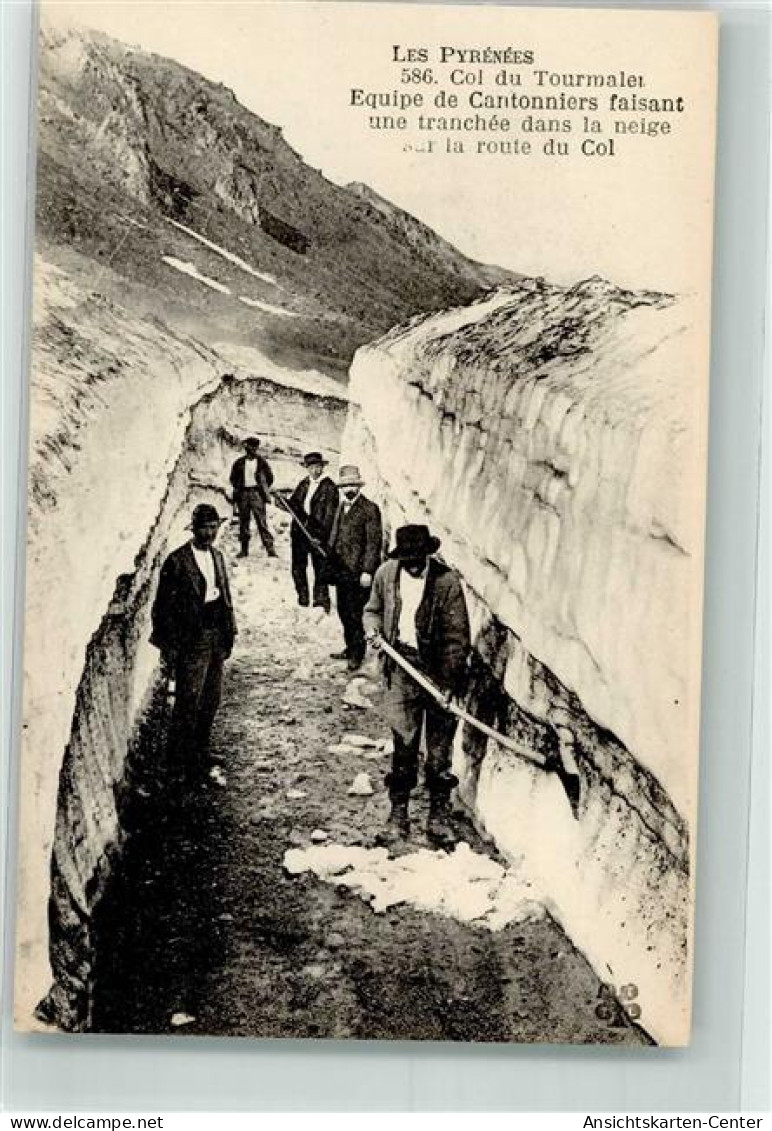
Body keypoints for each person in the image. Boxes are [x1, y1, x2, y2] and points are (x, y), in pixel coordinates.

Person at [364, 524, 471, 848]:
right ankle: (398, 816)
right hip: (401, 667)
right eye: (407, 558)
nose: (412, 564)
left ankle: (438, 817)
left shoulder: (446, 582)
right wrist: (373, 630)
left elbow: (457, 637)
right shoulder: (387, 574)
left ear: (427, 554)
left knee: (439, 750)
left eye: (417, 558)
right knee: (404, 744)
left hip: (438, 671)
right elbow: (372, 610)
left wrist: (448, 683)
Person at [150, 503, 237, 783]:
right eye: (205, 528)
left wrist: (229, 633)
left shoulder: (218, 556)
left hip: (215, 635)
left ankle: (200, 751)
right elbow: (162, 608)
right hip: (191, 639)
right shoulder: (177, 562)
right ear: (195, 529)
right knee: (188, 701)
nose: (210, 533)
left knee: (210, 699)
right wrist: (170, 647)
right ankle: (177, 763)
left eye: (214, 527)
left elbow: (225, 598)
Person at [327, 465, 383, 671]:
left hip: (358, 574)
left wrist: (368, 570)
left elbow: (373, 543)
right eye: (345, 485)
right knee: (343, 610)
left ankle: (357, 654)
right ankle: (350, 646)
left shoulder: (370, 509)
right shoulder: (341, 508)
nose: (349, 489)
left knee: (355, 613)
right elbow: (334, 537)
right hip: (342, 572)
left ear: (358, 486)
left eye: (352, 484)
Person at [287, 451, 338, 612]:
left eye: (318, 467)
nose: (315, 470)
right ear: (307, 468)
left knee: (321, 568)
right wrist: (282, 501)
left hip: (317, 535)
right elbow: (294, 506)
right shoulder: (304, 484)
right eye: (311, 467)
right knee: (298, 566)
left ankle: (321, 601)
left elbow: (330, 515)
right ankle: (302, 597)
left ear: (322, 467)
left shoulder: (329, 487)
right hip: (300, 532)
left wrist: (320, 537)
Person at [229, 437, 277, 558]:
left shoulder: (262, 462)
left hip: (257, 494)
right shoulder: (239, 462)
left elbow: (270, 478)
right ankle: (244, 550)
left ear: (256, 448)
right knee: (243, 522)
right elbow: (233, 478)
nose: (251, 450)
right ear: (246, 448)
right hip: (243, 494)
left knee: (262, 522)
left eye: (253, 447)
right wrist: (240, 489)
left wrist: (261, 489)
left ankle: (270, 549)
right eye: (249, 447)